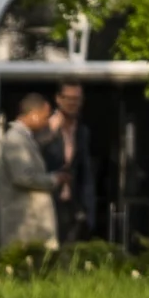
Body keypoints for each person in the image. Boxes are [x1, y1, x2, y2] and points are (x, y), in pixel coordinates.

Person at [0, 94, 60, 247]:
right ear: (34, 115)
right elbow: (23, 177)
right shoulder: (15, 139)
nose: (46, 122)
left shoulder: (25, 138)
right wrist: (54, 179)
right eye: (45, 117)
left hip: (32, 227)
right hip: (24, 228)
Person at [50, 81, 94, 243]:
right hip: (49, 203)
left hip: (72, 205)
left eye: (77, 99)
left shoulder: (82, 131)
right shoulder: (46, 129)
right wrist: (50, 132)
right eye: (69, 99)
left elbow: (85, 172)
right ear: (58, 99)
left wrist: (88, 210)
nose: (73, 104)